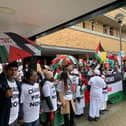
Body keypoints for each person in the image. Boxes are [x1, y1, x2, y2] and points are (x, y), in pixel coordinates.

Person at [0, 62, 22, 126]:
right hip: (5, 118)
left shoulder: (17, 83)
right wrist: (4, 95)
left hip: (15, 117)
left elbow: (19, 99)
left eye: (15, 70)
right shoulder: (2, 83)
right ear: (6, 71)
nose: (13, 72)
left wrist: (20, 115)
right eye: (11, 70)